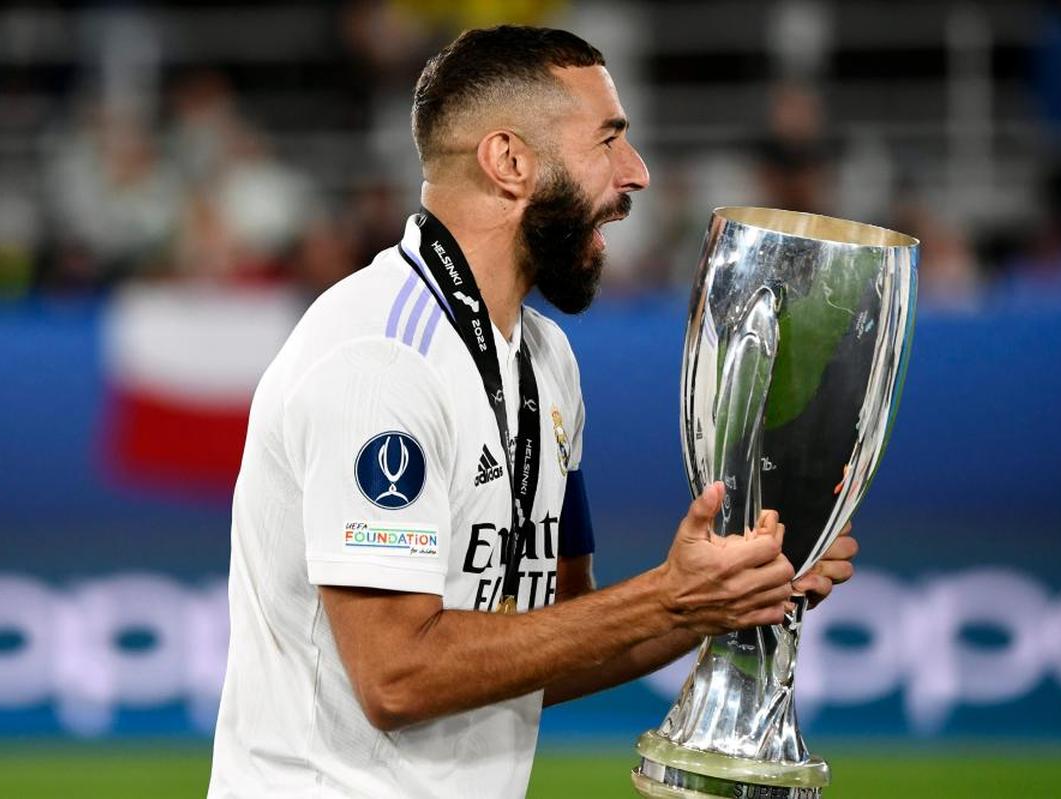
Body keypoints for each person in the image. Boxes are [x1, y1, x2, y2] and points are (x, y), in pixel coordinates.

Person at [207, 26, 858, 799]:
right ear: (510, 161)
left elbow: (555, 638)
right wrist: (666, 595)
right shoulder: (380, 357)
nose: (637, 173)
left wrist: (730, 593)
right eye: (609, 139)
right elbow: (397, 676)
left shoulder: (547, 359)